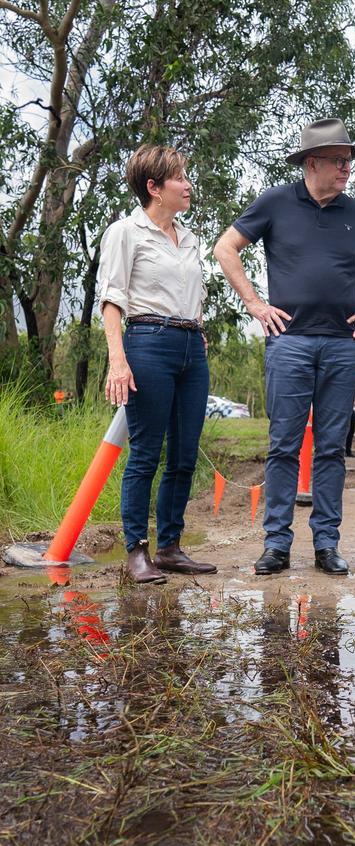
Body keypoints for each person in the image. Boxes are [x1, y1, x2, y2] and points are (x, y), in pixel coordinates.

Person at [214, 118, 355, 576]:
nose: (346, 169)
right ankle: (276, 544)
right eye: (338, 161)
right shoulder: (276, 201)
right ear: (312, 163)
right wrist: (255, 304)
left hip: (342, 345)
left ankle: (326, 545)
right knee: (283, 447)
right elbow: (225, 248)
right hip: (289, 343)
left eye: (349, 162)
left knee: (332, 449)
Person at [98, 145, 216, 584]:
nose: (187, 185)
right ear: (153, 188)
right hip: (147, 343)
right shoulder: (125, 232)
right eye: (179, 178)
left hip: (190, 345)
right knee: (146, 455)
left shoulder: (189, 238)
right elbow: (112, 299)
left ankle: (170, 547)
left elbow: (192, 296)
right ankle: (136, 552)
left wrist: (197, 332)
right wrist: (118, 360)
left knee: (184, 455)